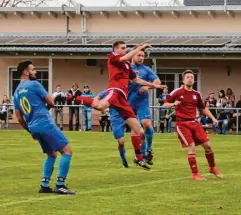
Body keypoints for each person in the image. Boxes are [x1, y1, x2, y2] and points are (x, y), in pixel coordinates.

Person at [73, 42, 162, 170]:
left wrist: (153, 86)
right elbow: (125, 58)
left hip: (123, 99)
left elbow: (136, 80)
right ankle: (75, 97)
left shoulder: (127, 65)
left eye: (126, 48)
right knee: (101, 106)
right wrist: (140, 47)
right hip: (115, 91)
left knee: (138, 129)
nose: (125, 50)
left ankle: (139, 158)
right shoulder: (113, 57)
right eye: (123, 48)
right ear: (115, 49)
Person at [13, 60, 75, 194]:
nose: (35, 72)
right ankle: (60, 184)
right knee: (67, 151)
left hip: (33, 126)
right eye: (33, 69)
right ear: (26, 72)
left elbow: (19, 118)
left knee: (51, 154)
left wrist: (31, 131)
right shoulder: (34, 84)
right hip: (45, 122)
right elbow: (51, 102)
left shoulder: (16, 93)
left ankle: (45, 185)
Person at [163, 70, 222, 180]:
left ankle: (212, 168)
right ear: (183, 80)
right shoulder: (177, 92)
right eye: (188, 77)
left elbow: (203, 108)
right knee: (192, 147)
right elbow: (165, 104)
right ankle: (195, 174)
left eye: (192, 77)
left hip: (195, 123)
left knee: (208, 146)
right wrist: (173, 104)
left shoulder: (196, 94)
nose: (190, 78)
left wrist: (213, 118)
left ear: (194, 80)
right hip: (182, 124)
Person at [128, 49, 163, 164]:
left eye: (143, 56)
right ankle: (140, 154)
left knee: (147, 124)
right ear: (132, 55)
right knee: (139, 131)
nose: (141, 58)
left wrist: (148, 87)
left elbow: (157, 81)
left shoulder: (146, 69)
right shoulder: (126, 67)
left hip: (142, 101)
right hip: (128, 103)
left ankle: (148, 149)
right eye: (139, 55)